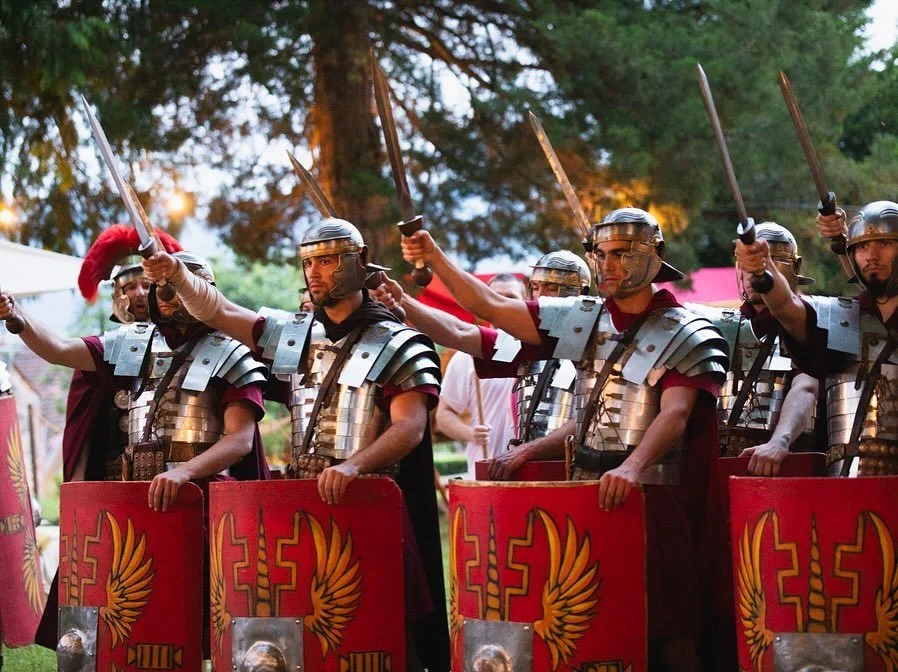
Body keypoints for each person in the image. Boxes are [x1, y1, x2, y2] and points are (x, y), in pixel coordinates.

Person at [401, 207, 728, 671]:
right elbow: (489, 310)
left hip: (655, 500)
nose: (608, 265)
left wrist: (631, 467)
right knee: (587, 627)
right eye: (601, 254)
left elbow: (674, 414)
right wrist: (434, 257)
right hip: (585, 495)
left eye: (621, 254)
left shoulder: (688, 331)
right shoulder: (586, 323)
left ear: (654, 259)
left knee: (670, 633)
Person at [141, 217, 450, 671]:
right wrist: (177, 276)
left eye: (326, 260)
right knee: (306, 632)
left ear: (358, 263)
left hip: (369, 508)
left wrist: (353, 467)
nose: (315, 272)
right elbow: (220, 311)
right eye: (308, 262)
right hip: (306, 506)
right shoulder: (300, 336)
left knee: (374, 633)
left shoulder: (401, 343)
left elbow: (409, 428)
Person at [1, 252, 270, 656]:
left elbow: (239, 440)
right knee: (135, 622)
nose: (165, 296)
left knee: (204, 625)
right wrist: (17, 317)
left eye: (174, 287)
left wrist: (183, 474)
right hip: (137, 500)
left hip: (205, 504)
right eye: (162, 288)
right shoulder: (133, 342)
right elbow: (58, 349)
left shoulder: (231, 352)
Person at [373, 251, 591, 480]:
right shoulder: (527, 345)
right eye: (536, 287)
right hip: (529, 474)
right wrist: (402, 301)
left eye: (553, 288)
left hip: (582, 476)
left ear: (581, 293)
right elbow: (459, 332)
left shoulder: (598, 337)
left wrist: (528, 451)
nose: (541, 297)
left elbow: (592, 418)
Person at [737, 201, 898, 476]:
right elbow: (788, 308)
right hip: (848, 482)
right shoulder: (841, 319)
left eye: (883, 243)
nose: (871, 255)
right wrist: (765, 270)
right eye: (860, 246)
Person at [693, 222, 820, 476]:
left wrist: (780, 441)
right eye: (747, 265)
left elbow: (806, 385)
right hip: (719, 466)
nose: (752, 274)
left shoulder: (812, 322)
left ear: (793, 268)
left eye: (764, 264)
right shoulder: (716, 325)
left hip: (784, 465)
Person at [436, 274, 525, 475]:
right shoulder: (467, 356)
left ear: (525, 303)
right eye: (494, 296)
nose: (502, 304)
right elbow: (443, 415)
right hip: (484, 470)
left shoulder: (544, 354)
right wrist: (469, 432)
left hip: (533, 469)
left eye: (511, 297)